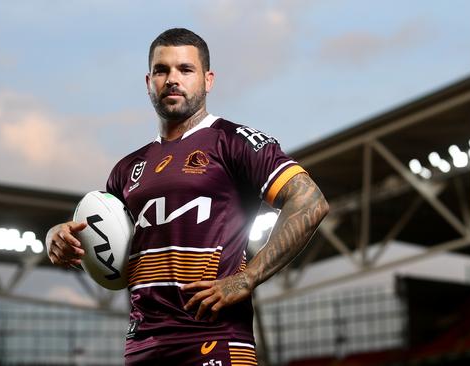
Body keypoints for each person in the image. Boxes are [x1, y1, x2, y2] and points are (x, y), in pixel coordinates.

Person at [46, 28, 329, 365]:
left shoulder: (234, 141)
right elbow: (101, 236)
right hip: (143, 345)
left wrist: (247, 278)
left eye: (185, 69)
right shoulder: (127, 168)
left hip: (215, 337)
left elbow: (310, 201)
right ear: (148, 81)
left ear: (208, 80)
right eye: (162, 70)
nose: (172, 79)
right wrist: (57, 236)